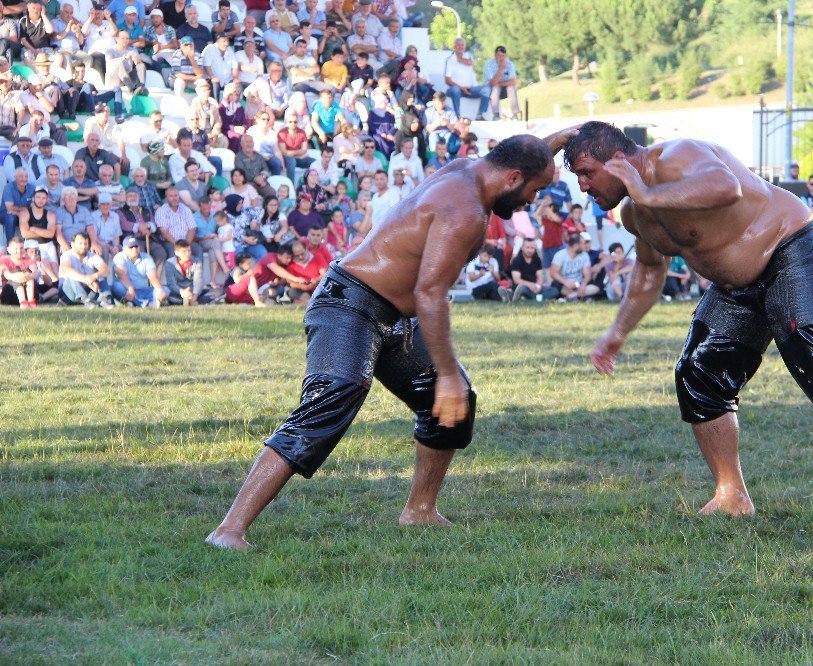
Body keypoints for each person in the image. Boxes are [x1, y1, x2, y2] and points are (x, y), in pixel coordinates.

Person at [566, 121, 813, 535]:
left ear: (619, 161)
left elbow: (725, 185)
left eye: (587, 173)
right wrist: (617, 332)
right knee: (699, 373)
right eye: (577, 177)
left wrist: (648, 192)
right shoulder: (635, 214)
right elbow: (648, 271)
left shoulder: (676, 155)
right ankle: (731, 494)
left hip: (794, 249)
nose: (583, 187)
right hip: (738, 285)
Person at [206, 133, 556, 549]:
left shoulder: (468, 169)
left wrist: (564, 138)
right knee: (333, 397)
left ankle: (420, 511)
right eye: (534, 190)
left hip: (392, 315)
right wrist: (446, 371)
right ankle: (228, 531)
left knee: (451, 403)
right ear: (514, 178)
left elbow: (522, 154)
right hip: (348, 304)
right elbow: (430, 294)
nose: (530, 202)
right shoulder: (464, 211)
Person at [58, 231, 113, 307]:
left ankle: (105, 300)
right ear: (72, 244)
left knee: (101, 278)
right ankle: (85, 300)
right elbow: (67, 270)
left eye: (85, 243)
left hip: (88, 288)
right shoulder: (66, 255)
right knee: (71, 277)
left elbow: (106, 270)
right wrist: (85, 279)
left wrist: (94, 277)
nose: (83, 246)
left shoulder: (93, 256)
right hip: (68, 290)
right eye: (80, 243)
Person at [111, 235, 168, 306]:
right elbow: (121, 275)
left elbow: (153, 277)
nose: (134, 249)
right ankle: (144, 303)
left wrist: (159, 290)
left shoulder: (146, 257)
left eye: (136, 246)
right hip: (127, 289)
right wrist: (130, 288)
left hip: (143, 290)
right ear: (124, 248)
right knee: (116, 286)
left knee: (165, 289)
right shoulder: (119, 257)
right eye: (131, 247)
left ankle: (135, 302)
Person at [483, 45, 519, 121]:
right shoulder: (489, 64)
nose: (501, 58)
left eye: (503, 56)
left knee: (511, 88)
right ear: (495, 55)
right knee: (495, 88)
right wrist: (500, 69)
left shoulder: (510, 64)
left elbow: (513, 81)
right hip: (491, 90)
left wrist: (499, 83)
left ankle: (515, 114)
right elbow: (492, 83)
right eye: (499, 55)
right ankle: (496, 115)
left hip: (504, 89)